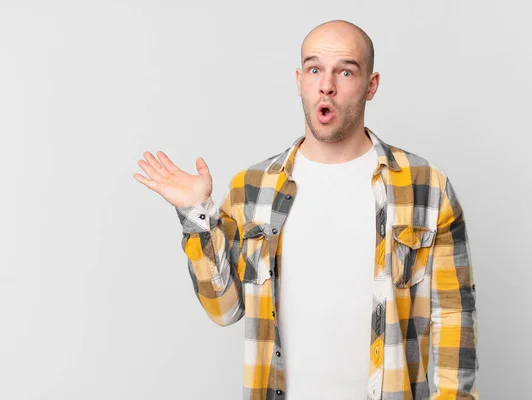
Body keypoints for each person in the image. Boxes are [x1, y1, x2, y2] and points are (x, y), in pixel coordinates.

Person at [133, 19, 479, 400]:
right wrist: (196, 214)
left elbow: (453, 321)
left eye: (345, 71)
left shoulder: (426, 187)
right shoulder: (252, 189)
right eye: (315, 69)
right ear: (300, 80)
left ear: (371, 86)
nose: (326, 85)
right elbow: (224, 309)